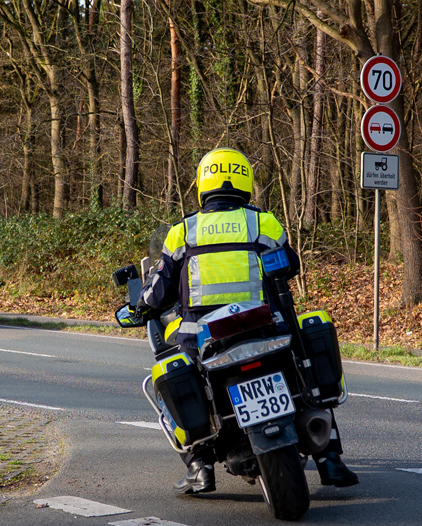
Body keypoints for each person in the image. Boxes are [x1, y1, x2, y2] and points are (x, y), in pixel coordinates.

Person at [134, 147, 358, 494]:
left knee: (170, 374)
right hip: (268, 330)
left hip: (204, 342)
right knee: (305, 371)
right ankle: (329, 457)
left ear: (202, 185)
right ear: (246, 183)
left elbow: (157, 293)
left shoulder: (182, 232)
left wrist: (141, 304)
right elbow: (290, 266)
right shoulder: (263, 222)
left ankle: (199, 466)